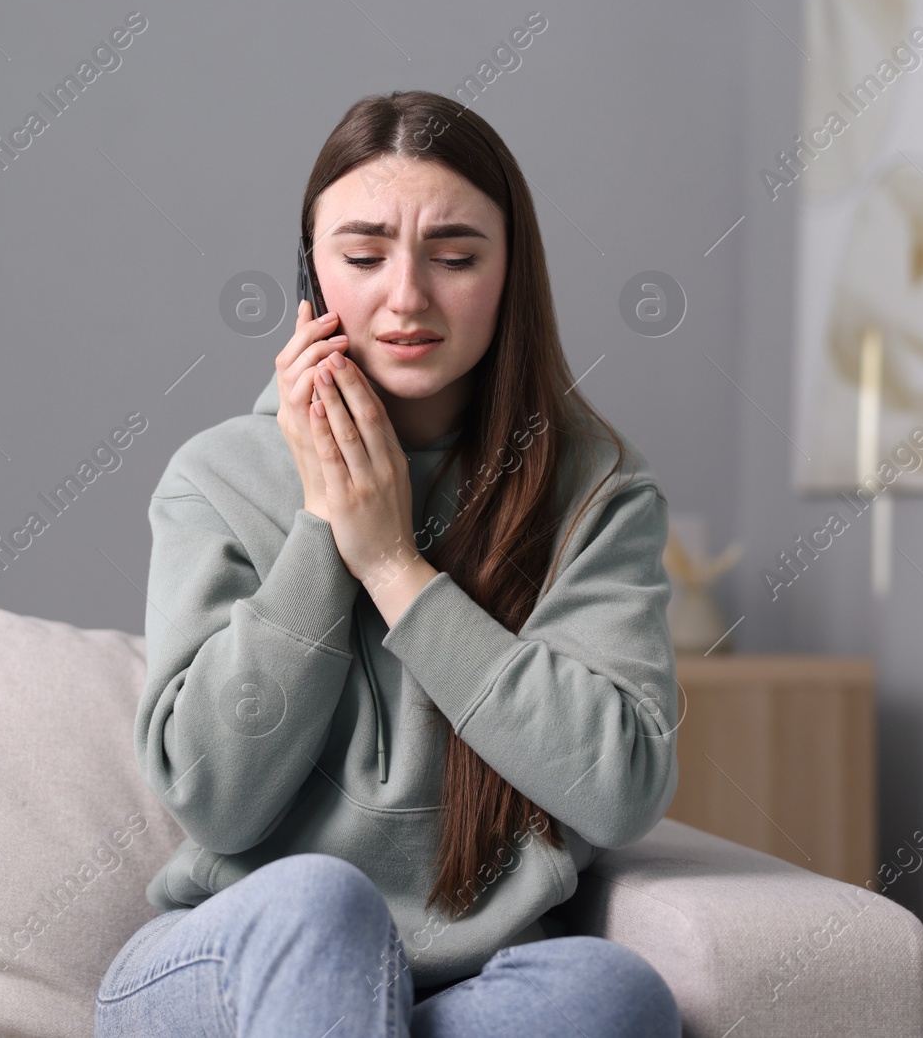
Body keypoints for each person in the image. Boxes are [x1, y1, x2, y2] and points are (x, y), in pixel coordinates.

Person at [96, 89, 682, 1038]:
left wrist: (397, 566)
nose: (406, 296)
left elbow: (618, 790)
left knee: (609, 992)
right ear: (312, 277)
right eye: (363, 257)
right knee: (325, 902)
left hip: (464, 987)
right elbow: (213, 796)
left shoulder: (597, 489)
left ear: (510, 273)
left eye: (454, 258)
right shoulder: (215, 476)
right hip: (231, 961)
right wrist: (328, 525)